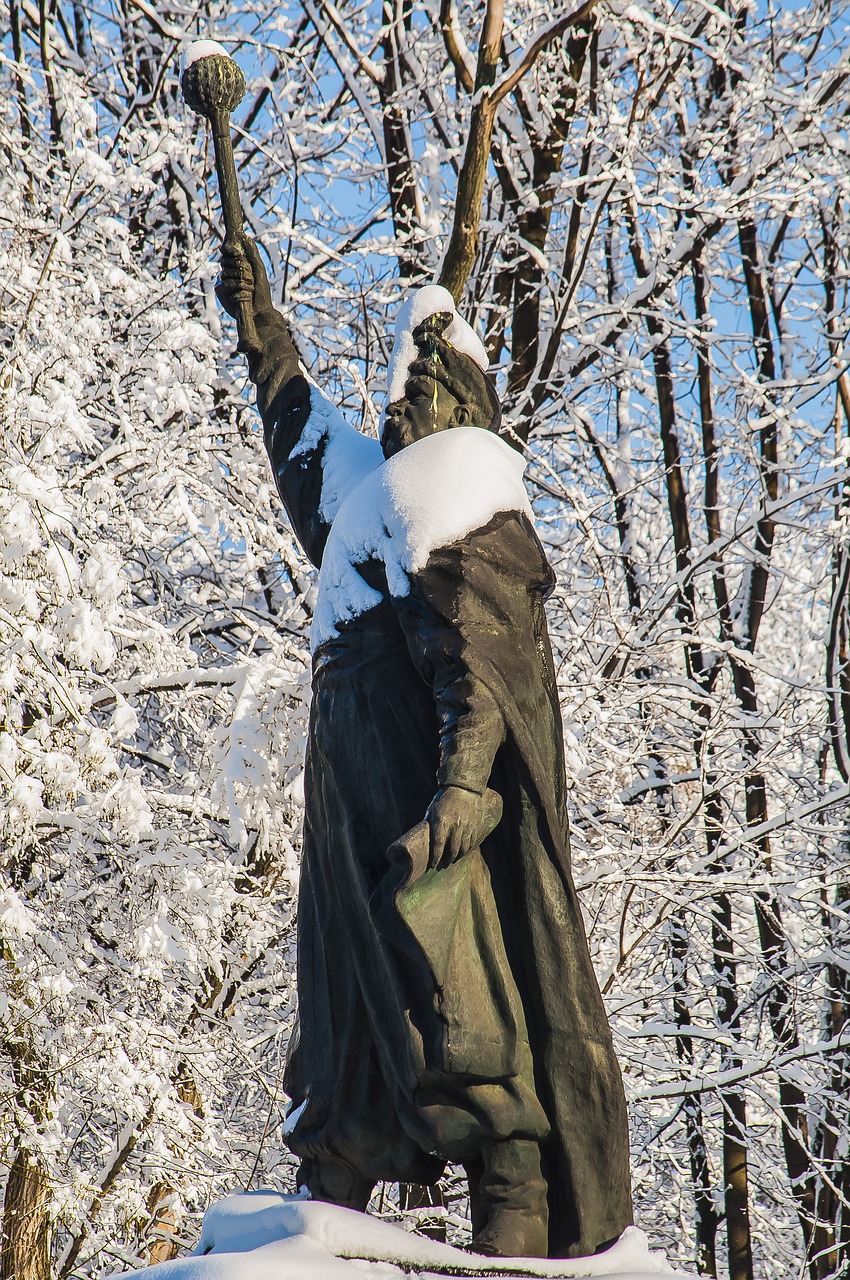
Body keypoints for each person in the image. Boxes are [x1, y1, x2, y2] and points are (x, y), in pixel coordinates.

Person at [215, 239, 634, 1259]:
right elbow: (300, 435)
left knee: (465, 1025)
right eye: (401, 384)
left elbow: (477, 666)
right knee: (348, 1030)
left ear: (462, 400)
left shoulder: (457, 489)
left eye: (424, 382)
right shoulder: (371, 497)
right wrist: (260, 323)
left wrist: (456, 791)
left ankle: (516, 1203)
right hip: (346, 822)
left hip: (422, 819)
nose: (403, 402)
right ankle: (326, 1206)